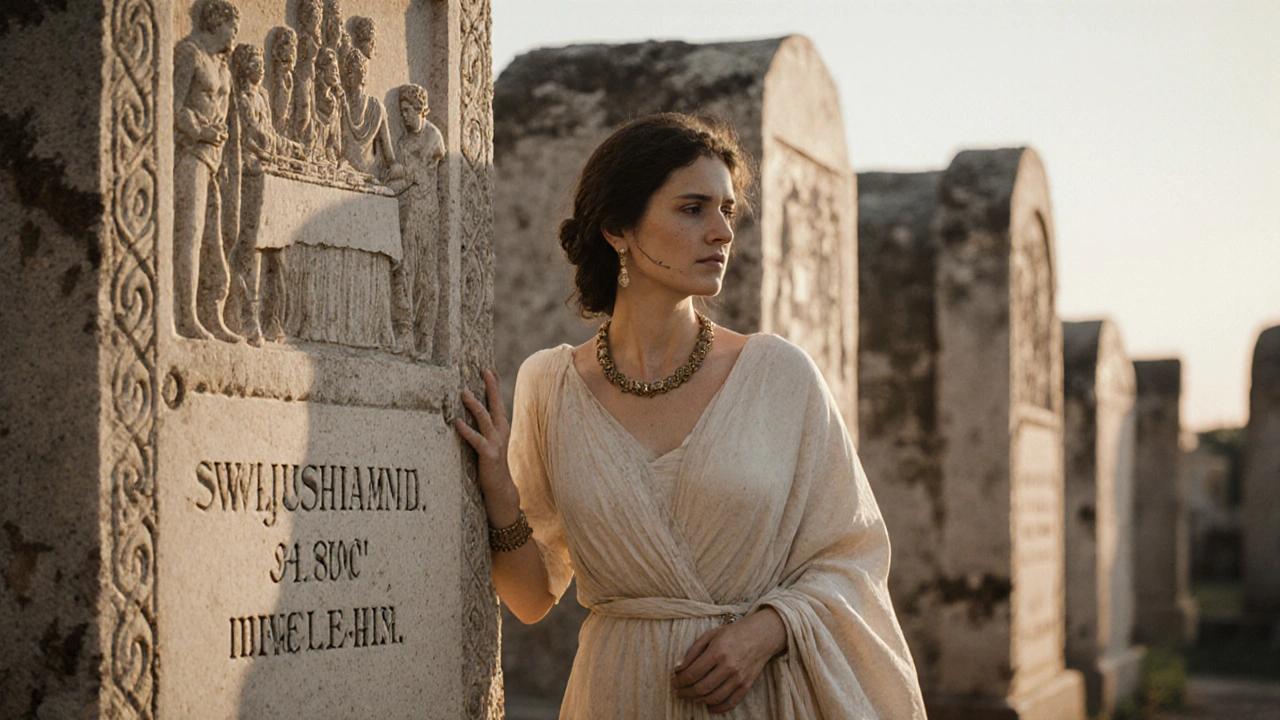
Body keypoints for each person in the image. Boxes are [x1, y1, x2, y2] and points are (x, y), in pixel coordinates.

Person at [455, 113, 927, 718]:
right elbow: (529, 595)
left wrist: (768, 629)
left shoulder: (779, 376)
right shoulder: (551, 384)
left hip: (751, 697)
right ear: (618, 228)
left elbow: (854, 556)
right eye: (693, 208)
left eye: (728, 210)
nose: (723, 232)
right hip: (614, 695)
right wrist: (498, 490)